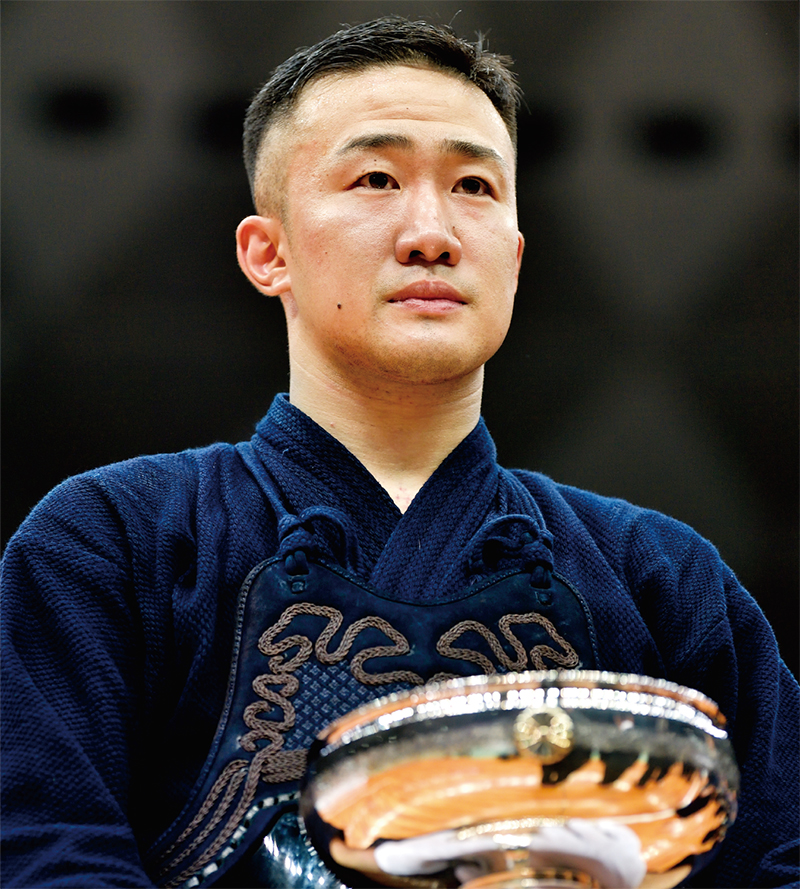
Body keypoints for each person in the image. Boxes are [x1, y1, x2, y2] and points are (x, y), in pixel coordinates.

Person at [1, 16, 797, 889]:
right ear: (268, 253)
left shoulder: (662, 576)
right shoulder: (112, 541)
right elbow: (48, 853)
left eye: (475, 187)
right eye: (376, 178)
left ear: (517, 258)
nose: (433, 231)